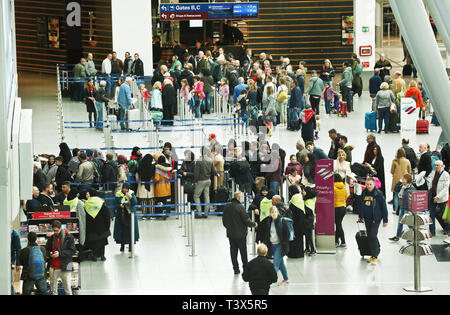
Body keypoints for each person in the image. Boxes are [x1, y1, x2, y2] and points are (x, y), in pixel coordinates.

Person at [222, 191, 258, 275]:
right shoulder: (240, 207)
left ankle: (235, 269)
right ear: (238, 198)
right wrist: (254, 224)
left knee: (233, 251)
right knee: (243, 252)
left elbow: (224, 221)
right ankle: (245, 268)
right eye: (241, 197)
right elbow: (246, 220)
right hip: (241, 234)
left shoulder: (227, 206)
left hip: (230, 233)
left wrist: (229, 227)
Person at [256, 206, 290, 285]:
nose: (274, 214)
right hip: (272, 245)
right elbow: (267, 234)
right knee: (281, 263)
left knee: (275, 264)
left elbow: (287, 234)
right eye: (272, 212)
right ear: (270, 214)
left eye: (275, 212)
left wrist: (284, 244)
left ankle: (268, 281)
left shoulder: (282, 221)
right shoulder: (269, 221)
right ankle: (286, 279)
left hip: (280, 246)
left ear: (277, 212)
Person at [357, 177, 388, 265]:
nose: (369, 186)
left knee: (372, 235)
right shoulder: (364, 192)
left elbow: (384, 208)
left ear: (374, 185)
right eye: (367, 184)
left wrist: (385, 220)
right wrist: (360, 216)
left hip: (376, 219)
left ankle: (374, 256)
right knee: (370, 235)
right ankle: (376, 249)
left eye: (371, 184)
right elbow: (361, 205)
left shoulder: (378, 194)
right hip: (367, 218)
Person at [45, 220, 77, 295]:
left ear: (60, 228)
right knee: (53, 289)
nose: (55, 232)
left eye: (56, 230)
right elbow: (47, 249)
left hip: (66, 265)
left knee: (67, 288)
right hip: (53, 266)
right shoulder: (52, 238)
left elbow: (72, 251)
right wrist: (50, 253)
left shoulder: (69, 237)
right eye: (53, 230)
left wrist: (59, 254)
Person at [80, 190, 111, 261]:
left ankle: (94, 256)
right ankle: (102, 256)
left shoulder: (86, 203)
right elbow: (106, 215)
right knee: (102, 242)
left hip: (91, 227)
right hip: (102, 227)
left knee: (93, 242)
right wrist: (107, 226)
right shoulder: (101, 202)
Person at [423, 160, 450, 236]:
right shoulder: (433, 172)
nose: (436, 166)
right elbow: (430, 182)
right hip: (432, 196)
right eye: (435, 165)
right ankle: (432, 231)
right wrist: (430, 189)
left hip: (442, 198)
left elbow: (446, 188)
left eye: (437, 165)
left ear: (441, 166)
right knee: (431, 215)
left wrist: (438, 196)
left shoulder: (446, 175)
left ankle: (448, 229)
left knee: (444, 215)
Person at [389, 174, 416, 241]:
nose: (402, 180)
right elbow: (396, 189)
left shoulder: (412, 188)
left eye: (404, 179)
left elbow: (413, 200)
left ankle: (413, 236)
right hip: (402, 207)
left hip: (408, 209)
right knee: (400, 222)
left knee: (409, 223)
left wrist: (411, 210)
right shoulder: (403, 187)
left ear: (408, 180)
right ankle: (397, 236)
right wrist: (399, 181)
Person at [114, 183, 140, 251]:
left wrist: (130, 197)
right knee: (122, 230)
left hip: (130, 214)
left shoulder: (131, 193)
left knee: (130, 230)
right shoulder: (118, 194)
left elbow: (135, 202)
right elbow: (116, 203)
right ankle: (122, 246)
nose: (125, 190)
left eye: (126, 188)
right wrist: (120, 205)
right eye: (124, 188)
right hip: (121, 214)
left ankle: (131, 246)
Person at [194, 146, 216, 218]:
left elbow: (196, 173)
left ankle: (199, 213)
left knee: (196, 196)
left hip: (201, 180)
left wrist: (195, 181)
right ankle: (206, 213)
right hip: (208, 180)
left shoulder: (199, 161)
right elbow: (213, 171)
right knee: (207, 196)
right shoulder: (210, 160)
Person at [334, 174, 348, 248]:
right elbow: (346, 196)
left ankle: (343, 242)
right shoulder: (343, 186)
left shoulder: (333, 187)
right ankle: (336, 241)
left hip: (336, 208)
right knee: (338, 224)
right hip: (343, 208)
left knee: (338, 225)